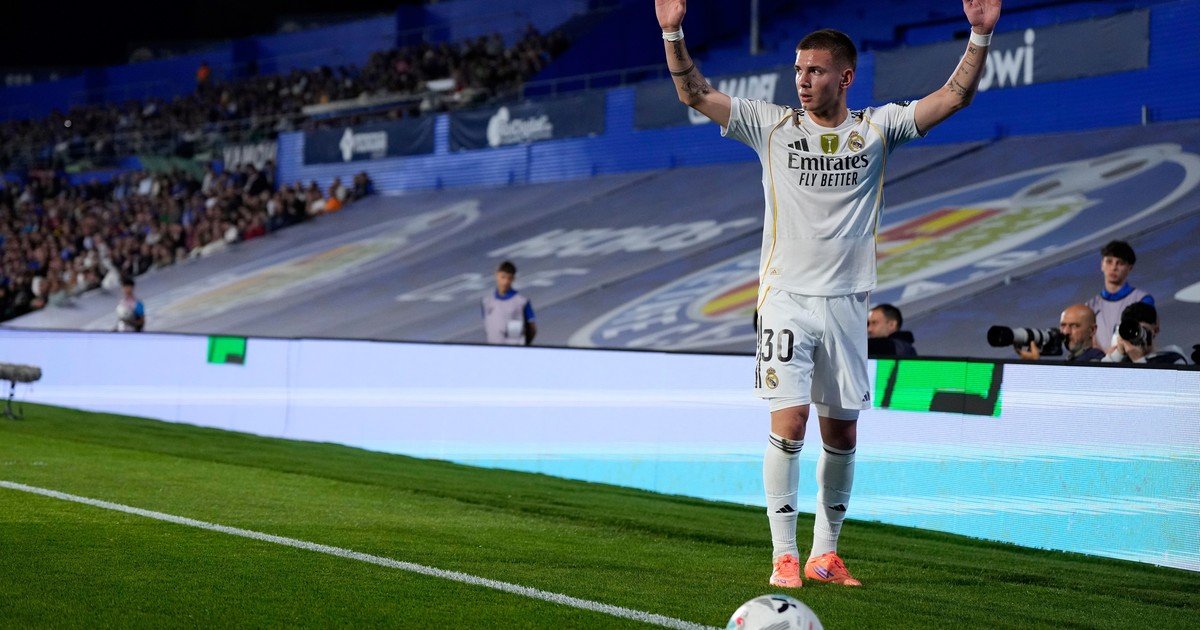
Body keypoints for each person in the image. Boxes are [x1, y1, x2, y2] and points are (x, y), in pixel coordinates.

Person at [654, 0, 1002, 588]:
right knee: (789, 423)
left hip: (847, 303)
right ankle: (783, 555)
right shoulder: (771, 126)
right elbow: (695, 93)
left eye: (814, 70)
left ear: (845, 76)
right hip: (785, 299)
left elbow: (953, 97)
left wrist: (979, 36)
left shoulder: (877, 129)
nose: (802, 80)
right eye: (798, 69)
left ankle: (826, 554)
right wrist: (673, 32)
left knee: (841, 434)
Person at [1085, 240, 1153, 352]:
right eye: (1109, 261)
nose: (1114, 267)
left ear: (1130, 268)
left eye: (1120, 263)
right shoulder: (1090, 306)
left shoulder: (1142, 300)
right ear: (1102, 264)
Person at [1101, 302, 1188, 365]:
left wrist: (1138, 360)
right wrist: (1117, 355)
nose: (1136, 334)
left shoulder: (1172, 359)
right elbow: (1099, 379)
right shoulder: (1120, 359)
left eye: (1142, 329)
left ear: (1155, 330)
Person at [1013, 304, 1104, 362]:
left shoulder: (1098, 360)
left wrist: (1035, 366)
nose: (1066, 332)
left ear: (1092, 330)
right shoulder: (1072, 360)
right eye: (1063, 325)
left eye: (1074, 326)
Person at [481, 260, 536, 345]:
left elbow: (532, 328)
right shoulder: (487, 302)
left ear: (513, 279)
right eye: (503, 277)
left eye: (509, 278)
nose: (505, 282)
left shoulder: (520, 302)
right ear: (496, 275)